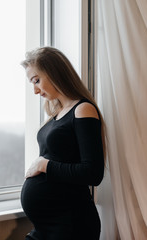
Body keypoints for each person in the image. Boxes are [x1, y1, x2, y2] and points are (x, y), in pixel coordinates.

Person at [20, 47, 106, 240]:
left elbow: (93, 173)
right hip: (46, 228)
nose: (35, 90)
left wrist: (44, 165)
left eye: (36, 80)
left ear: (53, 72)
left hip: (71, 225)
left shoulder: (83, 110)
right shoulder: (56, 114)